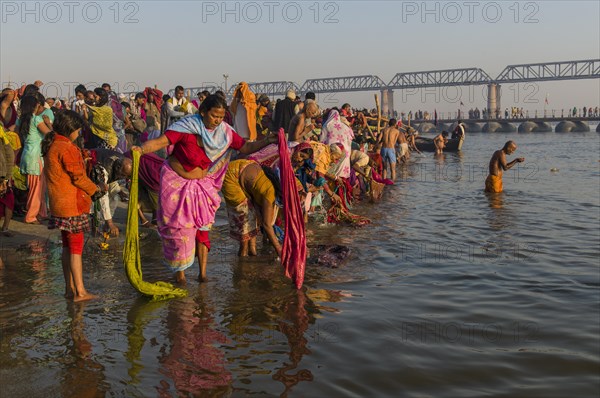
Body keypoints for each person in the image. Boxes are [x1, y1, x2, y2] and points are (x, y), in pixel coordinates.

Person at [132, 95, 279, 284]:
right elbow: (161, 142)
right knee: (179, 232)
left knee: (202, 232)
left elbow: (246, 146)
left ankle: (202, 275)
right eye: (214, 116)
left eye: (221, 116)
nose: (217, 120)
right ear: (202, 113)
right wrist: (140, 150)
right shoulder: (186, 128)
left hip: (203, 186)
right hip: (176, 184)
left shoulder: (225, 133)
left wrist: (268, 140)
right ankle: (181, 276)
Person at [42, 110, 105, 302]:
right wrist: (96, 190)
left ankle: (70, 289)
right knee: (76, 248)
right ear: (70, 129)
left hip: (59, 204)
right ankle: (80, 292)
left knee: (67, 247)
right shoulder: (66, 147)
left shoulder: (53, 144)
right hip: (72, 204)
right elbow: (78, 177)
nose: (78, 134)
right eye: (77, 130)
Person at [222, 159, 283, 257]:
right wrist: (279, 250)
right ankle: (243, 257)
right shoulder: (270, 195)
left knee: (253, 215)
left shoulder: (274, 187)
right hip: (231, 177)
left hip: (244, 168)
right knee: (245, 222)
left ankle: (252, 251)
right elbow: (267, 225)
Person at [18, 93, 53, 224]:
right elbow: (50, 134)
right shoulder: (35, 119)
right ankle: (31, 216)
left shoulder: (20, 119)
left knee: (39, 186)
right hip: (36, 156)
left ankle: (41, 212)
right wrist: (48, 123)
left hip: (27, 154)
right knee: (37, 188)